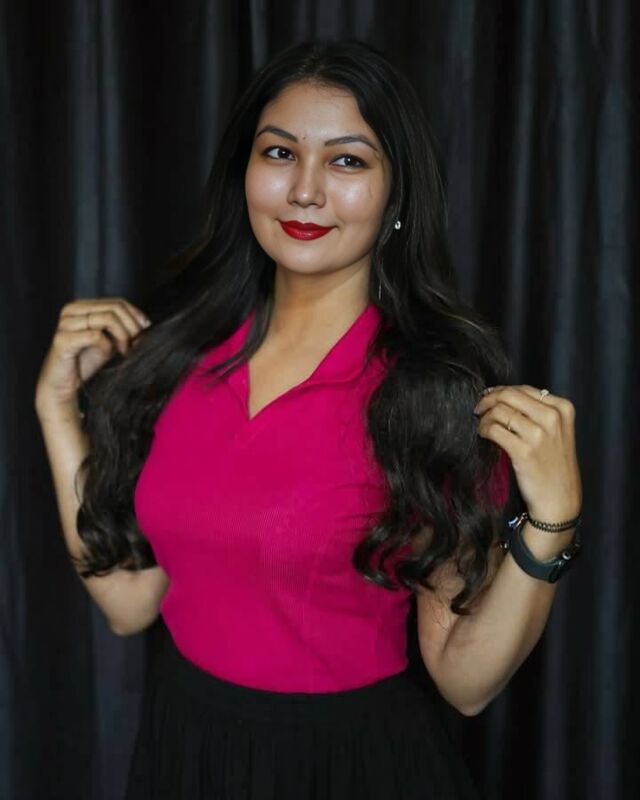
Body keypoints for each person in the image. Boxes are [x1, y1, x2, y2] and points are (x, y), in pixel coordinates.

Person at [35, 40, 583, 800]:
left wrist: (552, 521)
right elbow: (129, 602)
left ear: (396, 195)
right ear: (244, 172)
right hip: (185, 754)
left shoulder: (428, 393)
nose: (304, 190)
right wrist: (57, 409)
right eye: (280, 152)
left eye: (347, 161)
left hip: (354, 766)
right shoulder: (177, 360)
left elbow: (466, 683)